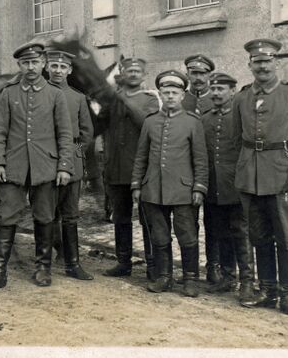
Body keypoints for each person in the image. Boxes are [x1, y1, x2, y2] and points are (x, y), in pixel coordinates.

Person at [0, 42, 75, 290]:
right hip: (14, 166)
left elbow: (65, 134)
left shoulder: (55, 95)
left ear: (43, 63)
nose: (31, 67)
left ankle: (43, 268)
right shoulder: (9, 94)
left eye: (35, 62)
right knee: (6, 216)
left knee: (44, 217)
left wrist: (64, 166)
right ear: (19, 65)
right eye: (25, 63)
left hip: (46, 167)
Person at [232, 38, 288, 317]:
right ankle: (267, 290)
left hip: (282, 175)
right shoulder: (242, 97)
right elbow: (235, 137)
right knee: (259, 235)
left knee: (285, 236)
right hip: (251, 177)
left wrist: (286, 161)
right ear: (250, 65)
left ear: (275, 63)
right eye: (257, 62)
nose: (262, 66)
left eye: (267, 61)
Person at [130, 70, 208, 297]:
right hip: (153, 189)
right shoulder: (151, 122)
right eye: (166, 92)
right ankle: (164, 277)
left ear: (183, 95)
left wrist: (199, 188)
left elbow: (201, 160)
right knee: (159, 236)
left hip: (183, 190)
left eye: (175, 92)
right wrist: (136, 185)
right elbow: (141, 156)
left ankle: (190, 279)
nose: (170, 96)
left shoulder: (192, 123)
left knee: (187, 236)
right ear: (161, 94)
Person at [93, 58, 161, 279]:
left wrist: (122, 100)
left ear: (144, 74)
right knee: (120, 217)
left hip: (140, 168)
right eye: (129, 70)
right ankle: (124, 262)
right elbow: (96, 123)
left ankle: (153, 265)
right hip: (115, 166)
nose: (133, 74)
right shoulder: (112, 99)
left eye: (137, 71)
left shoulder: (150, 99)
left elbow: (146, 123)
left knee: (147, 218)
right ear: (122, 73)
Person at [201, 72, 255, 302]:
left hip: (237, 185)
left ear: (232, 91)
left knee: (241, 233)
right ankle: (227, 277)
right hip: (213, 186)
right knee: (220, 232)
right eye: (213, 89)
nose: (215, 93)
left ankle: (247, 282)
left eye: (221, 89)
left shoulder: (241, 116)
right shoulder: (205, 118)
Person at [45, 49, 94, 280]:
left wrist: (74, 155)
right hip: (44, 159)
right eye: (54, 66)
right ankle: (45, 261)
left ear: (70, 70)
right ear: (46, 67)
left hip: (71, 163)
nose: (58, 71)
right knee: (46, 212)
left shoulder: (78, 97)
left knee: (70, 214)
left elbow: (86, 133)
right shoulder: (39, 93)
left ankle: (72, 263)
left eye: (63, 67)